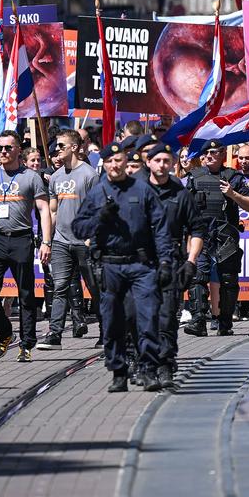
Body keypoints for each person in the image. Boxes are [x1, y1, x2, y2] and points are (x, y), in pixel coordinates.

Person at [73, 142, 172, 392]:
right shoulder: (97, 193)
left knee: (147, 318)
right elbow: (78, 228)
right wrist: (100, 218)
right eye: (110, 161)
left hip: (141, 265)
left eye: (119, 160)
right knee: (113, 321)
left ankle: (148, 369)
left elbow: (160, 228)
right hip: (110, 266)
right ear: (104, 164)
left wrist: (165, 261)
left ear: (126, 162)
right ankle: (118, 371)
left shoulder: (143, 189)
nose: (115, 165)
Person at [0, 133, 53, 362]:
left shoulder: (31, 177)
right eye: (0, 148)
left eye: (8, 148)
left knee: (25, 294)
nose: (3, 152)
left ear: (18, 150)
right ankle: (6, 332)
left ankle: (26, 344)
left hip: (21, 238)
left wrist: (46, 241)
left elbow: (44, 209)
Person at [183, 142, 249, 337]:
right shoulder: (194, 177)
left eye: (213, 152)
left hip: (226, 234)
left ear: (223, 153)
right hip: (202, 234)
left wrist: (232, 193)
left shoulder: (234, 177)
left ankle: (225, 322)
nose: (208, 156)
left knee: (228, 279)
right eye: (205, 153)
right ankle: (198, 320)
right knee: (198, 276)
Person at [143, 142, 198, 374]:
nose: (162, 165)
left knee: (167, 316)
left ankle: (165, 364)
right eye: (157, 160)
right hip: (142, 263)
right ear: (148, 163)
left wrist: (191, 260)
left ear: (172, 164)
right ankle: (145, 363)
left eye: (167, 161)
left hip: (171, 261)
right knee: (144, 317)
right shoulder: (137, 192)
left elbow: (197, 228)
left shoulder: (181, 195)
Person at [42, 129, 98, 348]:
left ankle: (105, 333)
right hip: (61, 242)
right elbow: (53, 212)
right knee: (60, 286)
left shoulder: (89, 174)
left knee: (94, 287)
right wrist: (48, 241)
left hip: (84, 242)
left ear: (74, 147)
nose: (57, 150)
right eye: (56, 146)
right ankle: (54, 333)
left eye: (61, 146)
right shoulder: (55, 177)